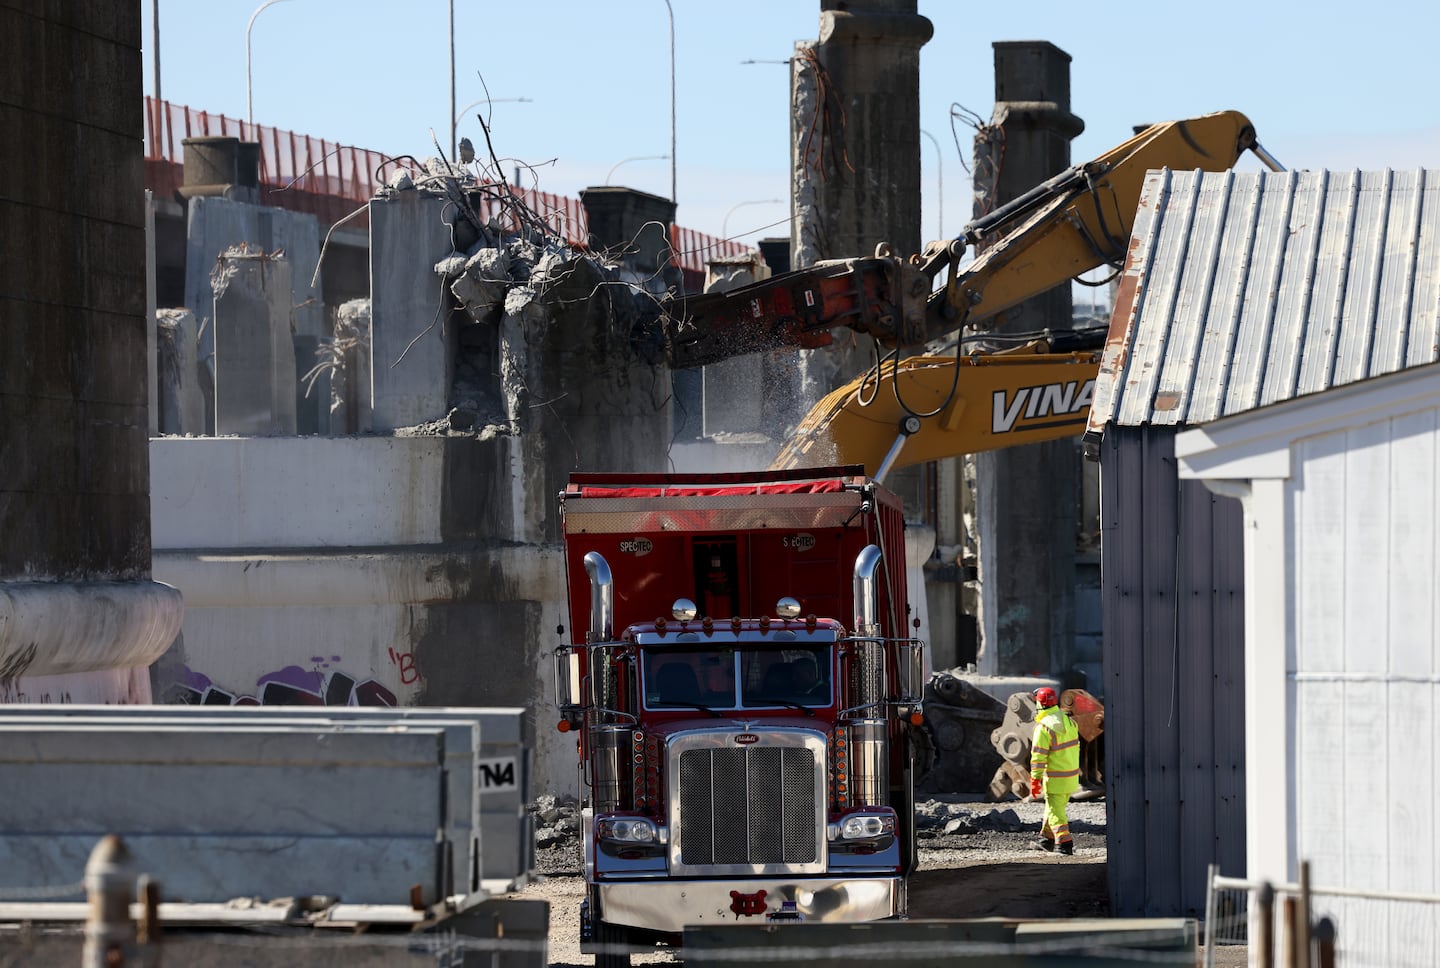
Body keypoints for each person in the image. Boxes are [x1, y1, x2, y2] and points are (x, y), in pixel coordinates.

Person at [1028, 686, 1081, 855]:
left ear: (1040, 704)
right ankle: (1046, 840)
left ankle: (1064, 844)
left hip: (1056, 779)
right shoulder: (1069, 722)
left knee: (1056, 812)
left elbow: (1038, 757)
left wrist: (1035, 779)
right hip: (1071, 777)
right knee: (1052, 808)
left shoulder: (1043, 728)